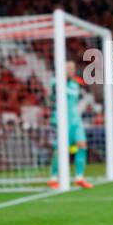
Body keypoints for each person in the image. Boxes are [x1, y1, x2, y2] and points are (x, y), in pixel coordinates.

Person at [48, 60, 92, 190]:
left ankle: (79, 177)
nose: (71, 70)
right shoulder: (55, 82)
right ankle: (53, 178)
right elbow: (54, 93)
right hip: (61, 119)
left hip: (75, 119)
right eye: (68, 68)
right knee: (60, 149)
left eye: (73, 68)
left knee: (82, 145)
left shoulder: (75, 84)